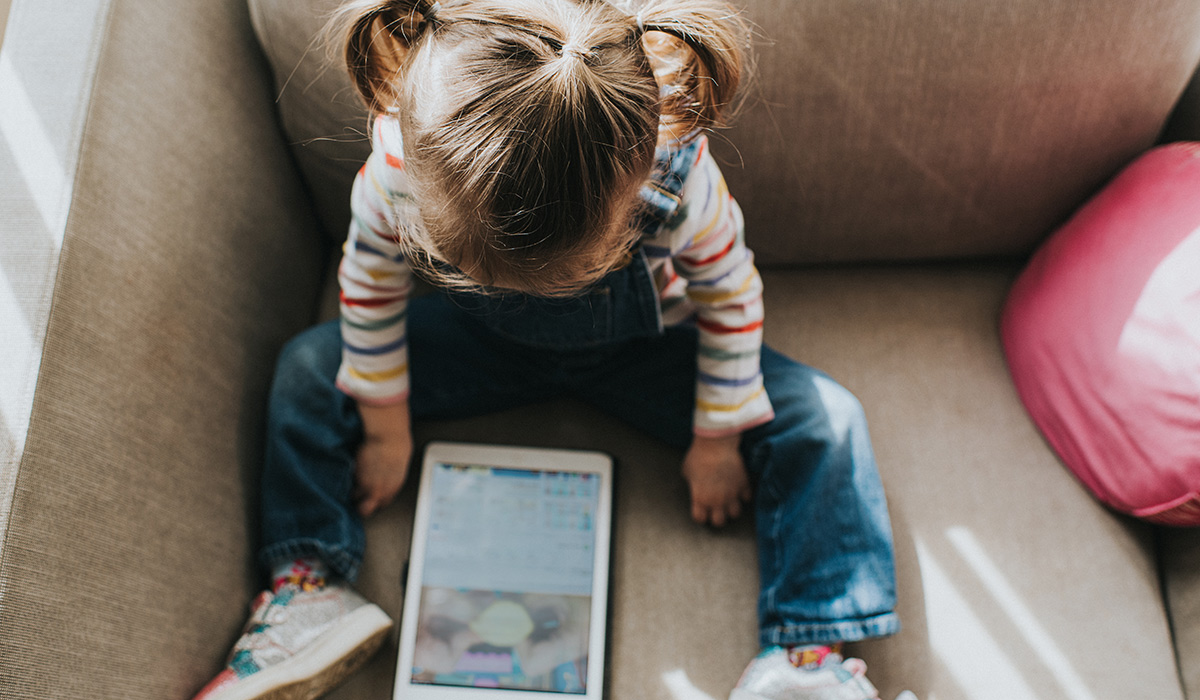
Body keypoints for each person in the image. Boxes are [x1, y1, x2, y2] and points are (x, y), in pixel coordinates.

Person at [192, 1, 909, 698]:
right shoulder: (396, 165)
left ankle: (805, 657)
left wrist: (717, 437)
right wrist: (384, 423)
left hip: (645, 350)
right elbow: (370, 282)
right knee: (309, 369)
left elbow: (730, 297)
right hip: (481, 344)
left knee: (828, 420)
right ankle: (310, 588)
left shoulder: (679, 178)